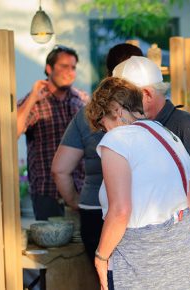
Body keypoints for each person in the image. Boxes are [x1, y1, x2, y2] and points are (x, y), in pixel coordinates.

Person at [113, 56, 190, 289]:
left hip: (182, 255)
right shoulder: (137, 127)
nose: (119, 106)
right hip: (150, 255)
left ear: (146, 94)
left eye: (124, 98)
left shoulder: (184, 125)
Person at [86, 76, 190, 290]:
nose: (105, 131)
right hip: (180, 254)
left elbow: (120, 211)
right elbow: (189, 207)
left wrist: (101, 257)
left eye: (103, 124)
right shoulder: (169, 135)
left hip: (138, 260)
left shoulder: (118, 139)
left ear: (116, 110)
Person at [51, 43, 143, 262]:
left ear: (108, 72)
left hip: (94, 208)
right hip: (142, 211)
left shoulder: (87, 113)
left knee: (104, 279)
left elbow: (60, 169)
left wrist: (77, 201)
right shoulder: (147, 111)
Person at [17, 45, 88, 220]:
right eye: (64, 66)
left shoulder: (82, 100)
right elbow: (13, 132)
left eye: (73, 67)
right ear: (49, 69)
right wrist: (33, 97)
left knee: (82, 244)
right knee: (51, 246)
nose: (70, 72)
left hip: (80, 189)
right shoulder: (34, 101)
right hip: (47, 192)